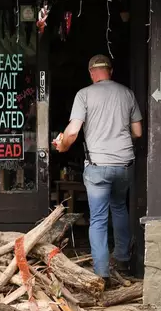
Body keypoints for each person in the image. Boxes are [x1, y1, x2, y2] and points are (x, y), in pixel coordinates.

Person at [52, 54, 142, 282]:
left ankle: (101, 273)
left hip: (98, 165)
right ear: (110, 71)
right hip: (123, 164)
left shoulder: (84, 95)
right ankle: (122, 259)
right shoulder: (127, 93)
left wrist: (62, 146)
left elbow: (72, 132)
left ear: (92, 73)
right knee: (120, 207)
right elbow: (138, 132)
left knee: (99, 219)